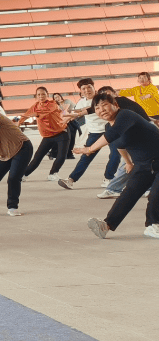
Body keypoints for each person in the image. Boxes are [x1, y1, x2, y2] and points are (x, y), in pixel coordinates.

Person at [75, 93, 159, 239]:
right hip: (142, 164)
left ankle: (153, 225)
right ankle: (106, 225)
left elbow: (113, 135)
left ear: (115, 105)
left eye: (105, 105)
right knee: (129, 193)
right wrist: (128, 162)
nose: (102, 109)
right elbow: (119, 144)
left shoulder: (126, 115)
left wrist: (89, 149)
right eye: (97, 107)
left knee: (156, 194)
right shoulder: (109, 126)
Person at [61, 78, 121, 190]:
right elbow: (74, 113)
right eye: (84, 88)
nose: (87, 90)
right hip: (94, 133)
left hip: (110, 130)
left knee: (115, 154)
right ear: (80, 91)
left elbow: (89, 109)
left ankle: (108, 178)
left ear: (94, 88)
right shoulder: (81, 102)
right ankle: (71, 180)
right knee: (86, 156)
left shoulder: (101, 98)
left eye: (89, 87)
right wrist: (66, 115)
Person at [19, 87, 71, 181]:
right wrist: (18, 123)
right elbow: (26, 115)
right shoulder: (35, 106)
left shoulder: (53, 103)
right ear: (36, 96)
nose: (41, 96)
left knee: (61, 155)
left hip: (61, 132)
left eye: (43, 94)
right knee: (38, 156)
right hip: (47, 136)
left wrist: (36, 114)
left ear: (47, 94)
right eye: (38, 94)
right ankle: (24, 175)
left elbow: (46, 112)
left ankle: (53, 173)